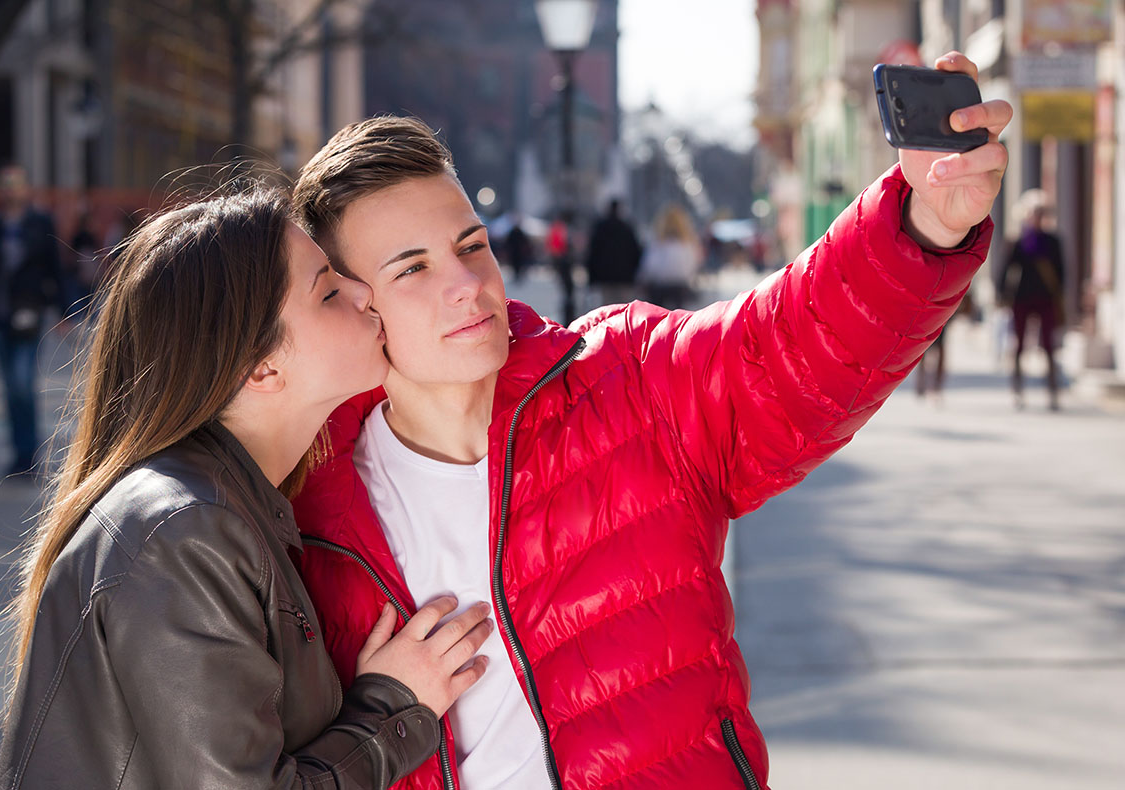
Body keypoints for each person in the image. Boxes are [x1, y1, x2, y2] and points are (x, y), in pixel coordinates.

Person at [289, 51, 1010, 790]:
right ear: (355, 303)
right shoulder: (303, 497)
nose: (468, 285)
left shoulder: (627, 380)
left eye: (471, 246)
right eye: (413, 269)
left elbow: (791, 342)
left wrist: (922, 221)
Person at [0, 184, 495, 789]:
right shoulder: (184, 534)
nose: (364, 292)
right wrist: (394, 704)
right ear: (261, 367)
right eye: (330, 290)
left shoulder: (222, 506)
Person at [0, 165, 65, 478]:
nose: (10, 190)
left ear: (25, 189)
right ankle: (18, 454)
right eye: (5, 185)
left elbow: (55, 269)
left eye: (16, 185)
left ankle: (31, 452)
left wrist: (62, 311)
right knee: (9, 388)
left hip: (30, 314)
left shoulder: (40, 223)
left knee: (23, 383)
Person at [997, 188, 1065, 410]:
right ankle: (1017, 389)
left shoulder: (1053, 242)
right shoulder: (1018, 241)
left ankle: (1052, 391)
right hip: (1022, 297)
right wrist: (1002, 294)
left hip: (1045, 298)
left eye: (1040, 212)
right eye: (1034, 212)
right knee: (1019, 344)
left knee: (1048, 345)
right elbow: (1006, 269)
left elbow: (1061, 271)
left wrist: (1060, 297)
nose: (1037, 216)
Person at [636, 202, 703, 309]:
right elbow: (693, 263)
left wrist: (643, 279)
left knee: (658, 317)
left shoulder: (658, 243)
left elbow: (650, 265)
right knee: (679, 317)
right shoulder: (687, 244)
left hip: (660, 286)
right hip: (680, 286)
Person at [584, 198, 642, 306]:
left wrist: (591, 279)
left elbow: (593, 254)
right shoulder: (627, 228)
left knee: (608, 310)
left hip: (605, 278)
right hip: (625, 278)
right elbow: (636, 253)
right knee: (623, 310)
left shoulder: (600, 228)